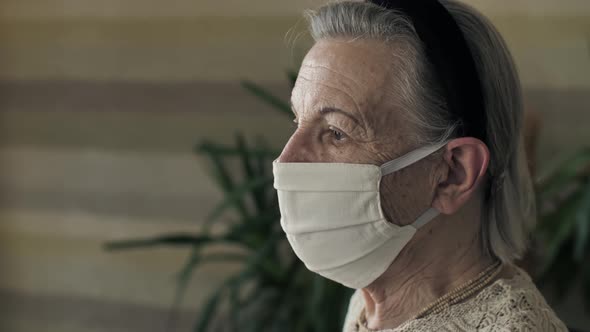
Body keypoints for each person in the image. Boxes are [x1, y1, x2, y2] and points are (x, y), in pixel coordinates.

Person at [271, 0, 569, 331]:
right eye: (298, 120)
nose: (286, 159)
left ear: (453, 174)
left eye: (337, 133)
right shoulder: (370, 303)